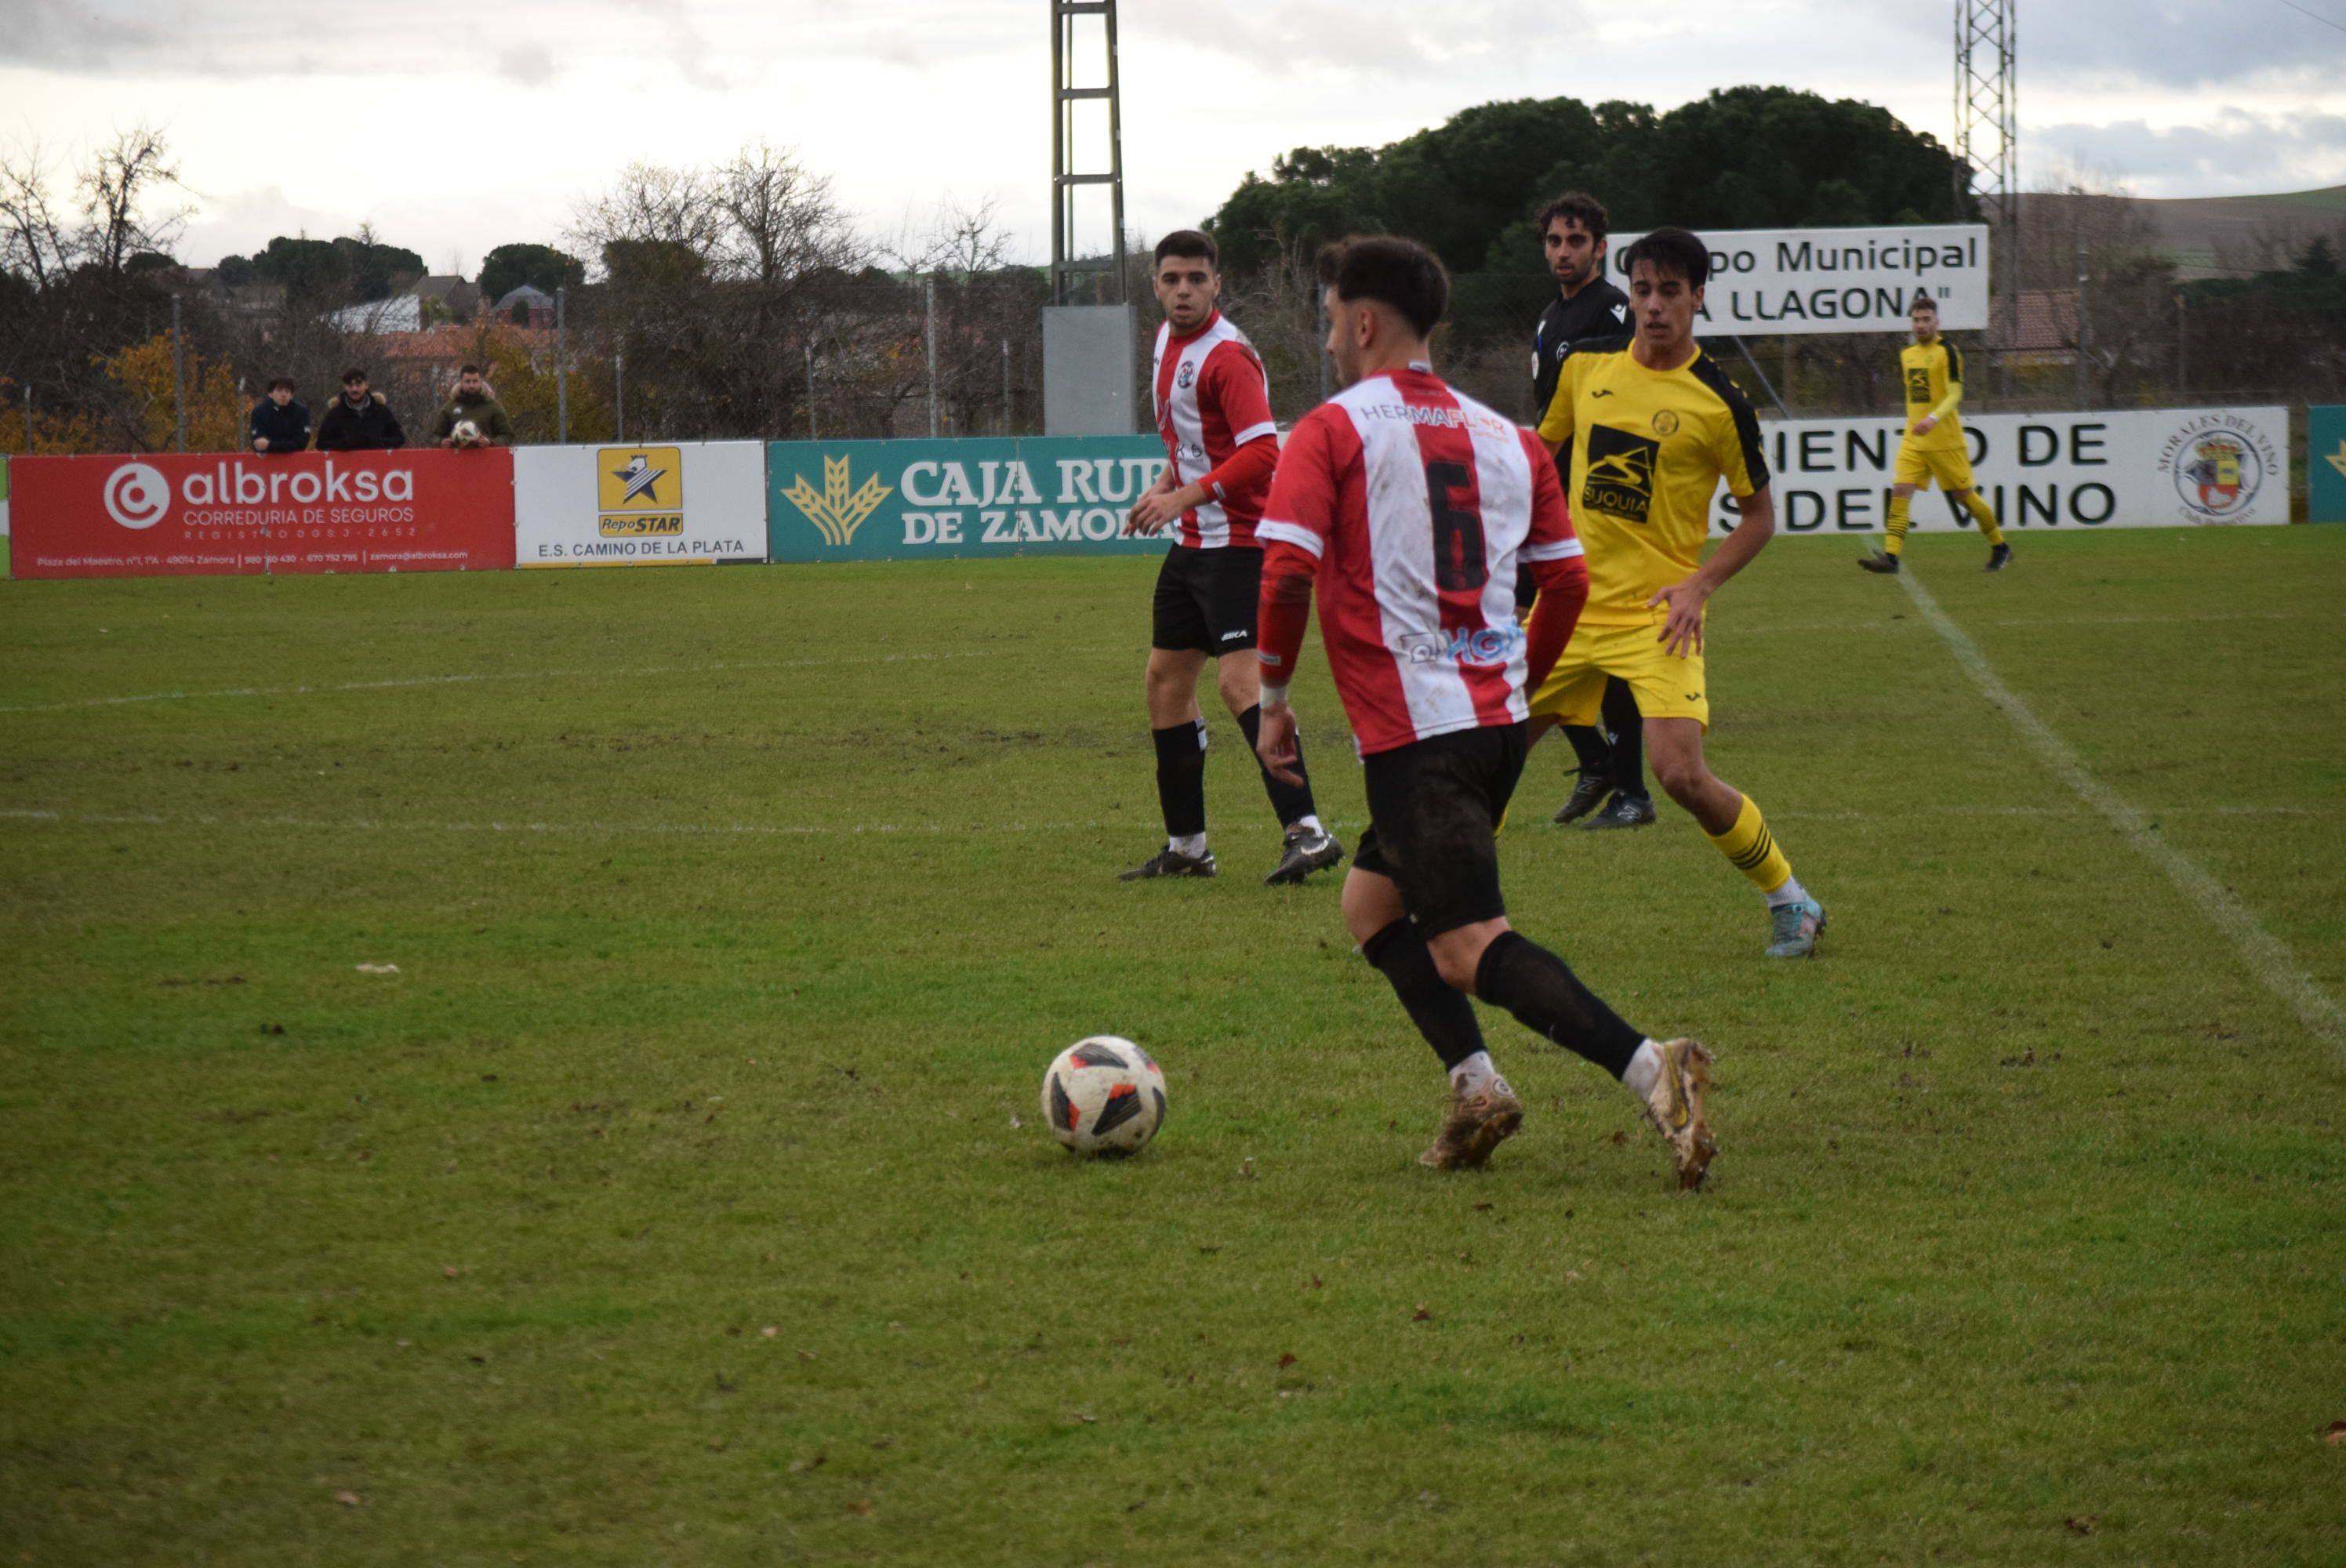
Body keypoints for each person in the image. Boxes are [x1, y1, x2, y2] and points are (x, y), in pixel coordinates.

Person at [1252, 234, 1716, 1189]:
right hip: (1492, 720)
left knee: (1466, 945)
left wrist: (1272, 701)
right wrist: (1512, 681)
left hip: (1417, 731)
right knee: (1370, 902)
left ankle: (1651, 1067)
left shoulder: (1331, 430)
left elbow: (1286, 569)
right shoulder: (1506, 436)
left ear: (1365, 320)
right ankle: (1475, 1084)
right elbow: (1568, 580)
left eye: (1334, 317)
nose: (1331, 335)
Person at [1530, 227, 1827, 960]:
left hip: (1656, 617)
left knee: (1679, 773)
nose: (1653, 306)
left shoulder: (1721, 403)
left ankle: (1791, 899)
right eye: (1641, 291)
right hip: (1568, 606)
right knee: (1484, 755)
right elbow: (1542, 455)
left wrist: (1701, 583)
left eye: (1669, 292)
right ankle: (1419, 904)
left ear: (1698, 297)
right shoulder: (1584, 370)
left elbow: (1759, 519)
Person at [1120, 229, 1343, 887]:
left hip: (1243, 543)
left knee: (1241, 686)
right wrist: (1167, 485)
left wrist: (1184, 494)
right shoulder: (1166, 341)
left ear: (1217, 284)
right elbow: (1195, 440)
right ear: (1156, 285)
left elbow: (1262, 453)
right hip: (1193, 545)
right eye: (1170, 279)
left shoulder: (1228, 357)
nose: (1183, 289)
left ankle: (1308, 832)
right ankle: (1188, 847)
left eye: (1196, 278)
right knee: (1166, 681)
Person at [1527, 192, 1653, 832]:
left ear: (1600, 248)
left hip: (1598, 504)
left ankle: (1631, 789)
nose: (1563, 251)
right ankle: (1598, 761)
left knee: (1608, 645)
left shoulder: (1615, 310)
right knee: (1533, 631)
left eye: (1575, 241)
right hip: (1552, 502)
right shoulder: (1552, 317)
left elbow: (1630, 405)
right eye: (1554, 241)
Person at [1861, 292, 2011, 573]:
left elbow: (1955, 393)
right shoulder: (1907, 355)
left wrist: (1932, 418)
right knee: (1900, 490)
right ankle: (1891, 557)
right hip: (1914, 439)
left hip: (1945, 441)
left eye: (1926, 319)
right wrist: (1919, 421)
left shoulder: (1948, 352)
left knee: (1964, 496)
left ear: (1937, 322)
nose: (1920, 325)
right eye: (1916, 320)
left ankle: (2000, 546)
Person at [312, 368, 406, 452]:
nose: (354, 389)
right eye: (350, 385)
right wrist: (344, 445)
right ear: (345, 387)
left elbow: (399, 438)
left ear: (366, 385)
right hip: (345, 468)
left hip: (378, 466)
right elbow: (321, 444)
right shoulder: (335, 414)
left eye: (358, 384)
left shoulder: (381, 411)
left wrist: (379, 443)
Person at [431, 365, 516, 449]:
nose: (471, 385)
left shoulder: (493, 406)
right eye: (467, 382)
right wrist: (440, 443)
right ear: (461, 383)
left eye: (475, 381)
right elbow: (435, 436)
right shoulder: (449, 407)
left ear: (481, 382)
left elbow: (508, 436)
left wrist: (491, 443)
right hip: (456, 459)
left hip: (486, 459)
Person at [249, 378, 310, 454]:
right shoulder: (259, 412)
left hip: (294, 460)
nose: (284, 394)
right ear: (270, 394)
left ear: (291, 395)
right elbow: (258, 443)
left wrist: (271, 445)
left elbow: (301, 443)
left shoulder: (301, 412)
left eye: (287, 391)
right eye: (279, 391)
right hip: (267, 460)